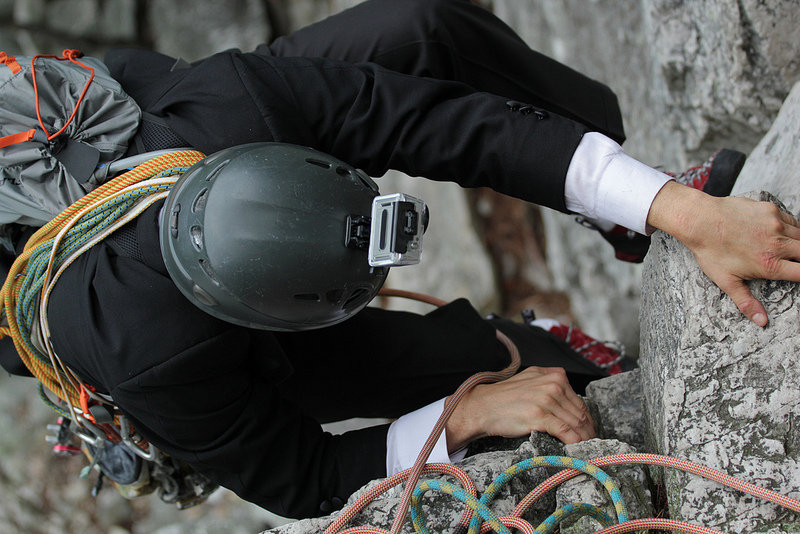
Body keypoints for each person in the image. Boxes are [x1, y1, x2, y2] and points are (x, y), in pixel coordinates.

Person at [8, 0, 800, 520]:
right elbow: (300, 476)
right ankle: (548, 346)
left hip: (161, 125)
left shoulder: (239, 101)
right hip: (144, 311)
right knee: (496, 367)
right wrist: (464, 416)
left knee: (423, 35)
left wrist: (678, 210)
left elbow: (443, 124)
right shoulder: (155, 352)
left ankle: (621, 210)